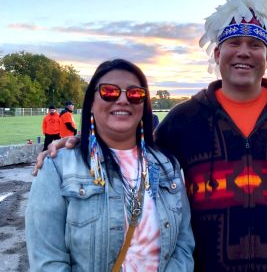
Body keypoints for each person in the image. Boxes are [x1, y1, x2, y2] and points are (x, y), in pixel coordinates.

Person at [35, 0, 267, 271]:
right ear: (217, 52)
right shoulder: (185, 118)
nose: (244, 52)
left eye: (255, 44)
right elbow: (134, 151)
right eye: (234, 42)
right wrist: (78, 142)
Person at [26, 59, 194, 271]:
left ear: (144, 104)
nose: (123, 99)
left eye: (134, 93)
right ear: (91, 103)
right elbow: (47, 261)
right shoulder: (58, 168)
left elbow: (183, 244)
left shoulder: (167, 166)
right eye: (109, 91)